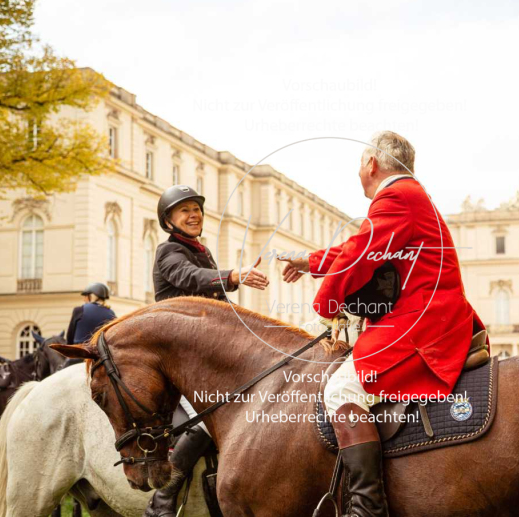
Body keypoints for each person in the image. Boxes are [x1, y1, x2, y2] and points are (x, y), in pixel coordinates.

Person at [281, 131, 486, 517]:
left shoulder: (395, 196)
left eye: (359, 165)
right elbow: (361, 246)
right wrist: (310, 262)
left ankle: (368, 509)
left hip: (422, 320)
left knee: (341, 389)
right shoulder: (409, 194)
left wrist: (325, 308)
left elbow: (359, 255)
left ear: (371, 165)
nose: (359, 172)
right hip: (427, 312)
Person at [145, 185, 268, 517]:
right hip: (178, 354)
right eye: (184, 210)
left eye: (196, 208)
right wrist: (233, 274)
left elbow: (218, 306)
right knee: (206, 416)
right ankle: (163, 498)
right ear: (169, 220)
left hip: (206, 352)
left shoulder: (202, 251)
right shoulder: (169, 252)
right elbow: (192, 278)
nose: (193, 214)